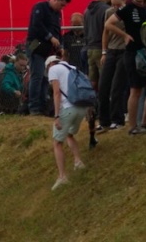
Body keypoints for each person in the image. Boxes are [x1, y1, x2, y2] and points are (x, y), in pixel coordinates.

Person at [105, 0, 146, 135]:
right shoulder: (128, 9)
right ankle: (133, 126)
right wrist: (124, 35)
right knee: (136, 90)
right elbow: (108, 24)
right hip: (133, 53)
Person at [25, 0, 71, 116]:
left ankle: (43, 105)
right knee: (37, 76)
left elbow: (58, 30)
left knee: (46, 78)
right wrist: (50, 37)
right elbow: (36, 25)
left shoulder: (57, 14)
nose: (62, 8)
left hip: (49, 50)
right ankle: (34, 107)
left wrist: (60, 46)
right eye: (61, 5)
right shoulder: (40, 8)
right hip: (36, 46)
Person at [47, 52, 87, 191]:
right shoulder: (72, 67)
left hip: (67, 109)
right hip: (81, 107)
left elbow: (56, 93)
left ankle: (62, 176)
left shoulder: (53, 69)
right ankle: (78, 161)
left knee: (57, 143)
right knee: (69, 134)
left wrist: (57, 116)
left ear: (50, 65)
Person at [98, 0, 127, 130]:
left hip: (124, 51)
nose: (116, 8)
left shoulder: (128, 12)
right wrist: (104, 51)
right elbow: (105, 32)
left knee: (117, 87)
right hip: (111, 50)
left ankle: (118, 119)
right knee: (103, 86)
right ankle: (103, 120)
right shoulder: (109, 13)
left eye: (118, 5)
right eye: (113, 5)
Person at [83, 0, 113, 92]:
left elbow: (85, 30)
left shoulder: (87, 10)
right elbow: (107, 31)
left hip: (89, 49)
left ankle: (93, 104)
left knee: (93, 81)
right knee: (104, 80)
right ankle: (104, 105)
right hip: (101, 49)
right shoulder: (106, 10)